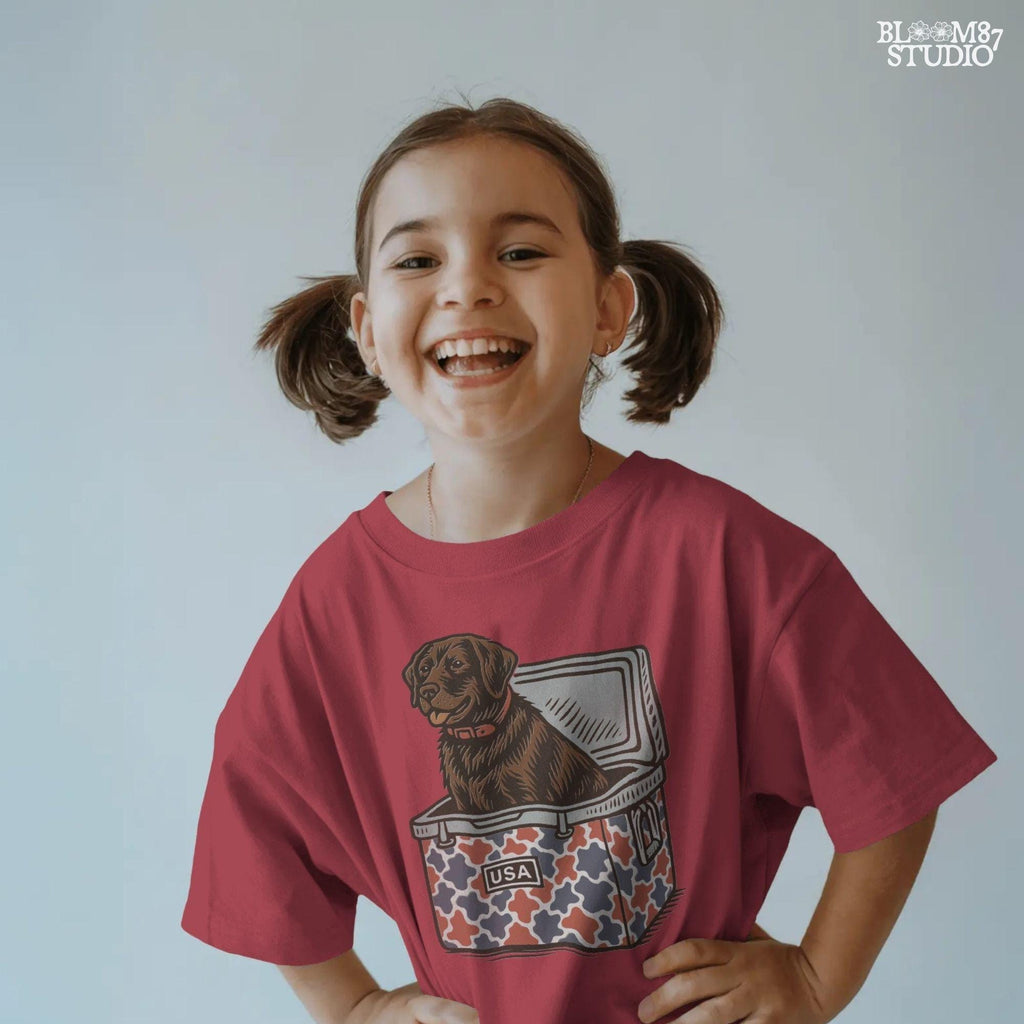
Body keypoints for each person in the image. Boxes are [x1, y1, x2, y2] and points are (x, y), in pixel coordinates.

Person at [180, 95, 997, 1024]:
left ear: (610, 307)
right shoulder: (336, 600)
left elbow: (895, 775)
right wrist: (356, 1008)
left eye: (520, 250)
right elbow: (257, 834)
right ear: (368, 328)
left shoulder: (723, 554)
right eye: (419, 258)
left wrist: (815, 980)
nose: (467, 286)